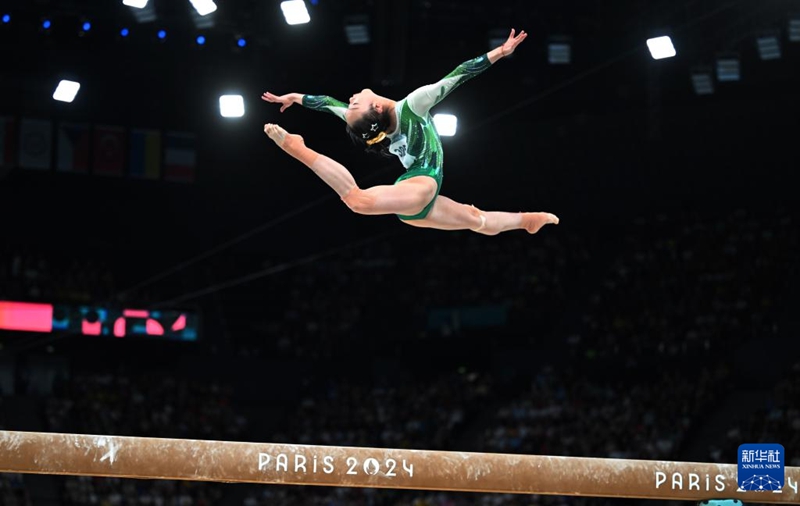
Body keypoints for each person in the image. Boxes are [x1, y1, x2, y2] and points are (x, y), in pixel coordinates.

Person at [262, 29, 559, 236]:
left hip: (415, 204)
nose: (349, 101)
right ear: (376, 107)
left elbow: (326, 104)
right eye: (354, 105)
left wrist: (295, 97)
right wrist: (499, 53)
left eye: (350, 105)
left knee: (475, 219)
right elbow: (458, 75)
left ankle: (526, 221)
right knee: (357, 201)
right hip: (422, 185)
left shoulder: (373, 119)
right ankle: (294, 146)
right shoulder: (413, 106)